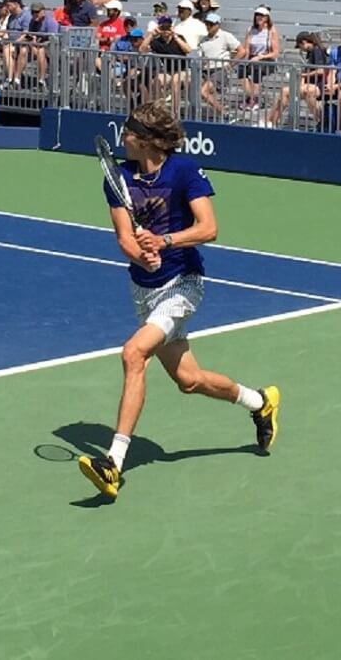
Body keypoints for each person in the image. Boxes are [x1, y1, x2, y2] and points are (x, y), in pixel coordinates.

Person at [77, 101, 279, 501]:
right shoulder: (117, 177)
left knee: (133, 354)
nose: (123, 135)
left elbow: (209, 228)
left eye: (129, 130)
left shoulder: (183, 171)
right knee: (190, 381)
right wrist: (141, 254)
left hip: (184, 284)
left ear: (147, 139)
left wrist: (165, 242)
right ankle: (260, 402)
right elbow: (123, 238)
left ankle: (113, 464)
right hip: (144, 290)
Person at [267, 32, 329, 128]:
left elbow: (320, 71)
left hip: (319, 85)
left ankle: (271, 121)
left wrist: (304, 74)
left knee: (286, 92)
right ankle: (271, 121)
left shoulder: (317, 50)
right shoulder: (311, 53)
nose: (301, 49)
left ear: (304, 42)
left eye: (300, 46)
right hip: (311, 84)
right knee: (284, 92)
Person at [237, 6, 280, 110]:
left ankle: (253, 100)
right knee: (241, 70)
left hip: (267, 59)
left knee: (257, 70)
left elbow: (275, 53)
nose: (259, 17)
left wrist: (262, 56)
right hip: (253, 58)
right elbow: (247, 48)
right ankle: (252, 98)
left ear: (266, 17)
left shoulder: (271, 31)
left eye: (262, 15)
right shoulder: (251, 30)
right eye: (257, 15)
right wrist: (245, 60)